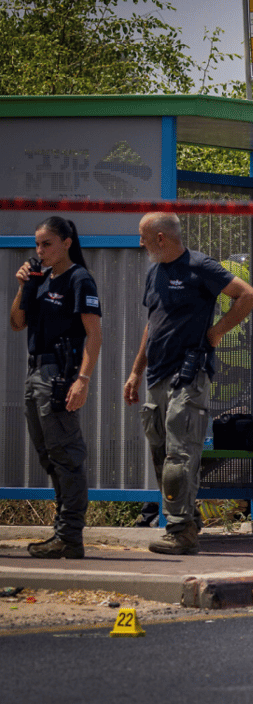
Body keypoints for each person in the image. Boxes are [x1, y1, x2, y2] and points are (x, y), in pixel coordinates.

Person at [123, 212, 253, 556]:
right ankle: (188, 517)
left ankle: (181, 531)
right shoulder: (154, 272)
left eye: (143, 237)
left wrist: (215, 334)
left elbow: (247, 296)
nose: (140, 244)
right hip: (156, 377)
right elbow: (151, 326)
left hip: (188, 375)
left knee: (179, 456)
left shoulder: (200, 266)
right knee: (161, 454)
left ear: (161, 238)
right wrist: (136, 371)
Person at [9, 217, 101, 559]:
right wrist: (24, 285)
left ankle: (70, 536)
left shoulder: (79, 278)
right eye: (37, 244)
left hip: (59, 374)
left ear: (66, 242)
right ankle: (62, 533)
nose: (40, 250)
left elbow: (94, 334)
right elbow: (17, 324)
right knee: (49, 456)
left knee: (67, 456)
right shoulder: (41, 279)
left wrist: (82, 380)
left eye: (47, 244)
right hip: (36, 372)